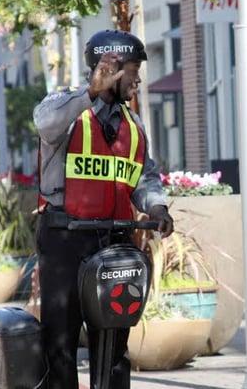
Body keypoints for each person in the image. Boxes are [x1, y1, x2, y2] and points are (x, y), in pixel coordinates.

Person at [33, 29, 174, 389]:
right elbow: (44, 123)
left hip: (116, 240)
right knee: (60, 343)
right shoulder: (65, 108)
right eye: (133, 69)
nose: (139, 78)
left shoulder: (134, 124)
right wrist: (89, 93)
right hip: (66, 238)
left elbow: (144, 177)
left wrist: (157, 208)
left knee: (114, 345)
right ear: (109, 68)